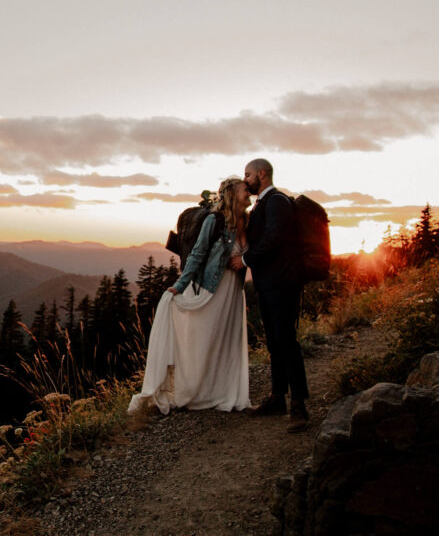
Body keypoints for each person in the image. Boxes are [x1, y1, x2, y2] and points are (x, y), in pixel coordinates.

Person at [128, 176, 251, 414]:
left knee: (227, 341)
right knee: (205, 339)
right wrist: (180, 285)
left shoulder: (247, 221)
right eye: (245, 190)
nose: (249, 194)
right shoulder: (215, 221)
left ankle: (224, 391)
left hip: (234, 293)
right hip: (213, 290)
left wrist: (244, 259)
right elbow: (197, 254)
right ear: (232, 193)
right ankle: (196, 391)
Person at [231, 158, 309, 433]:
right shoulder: (263, 204)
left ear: (261, 174)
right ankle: (278, 398)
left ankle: (299, 405)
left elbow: (274, 237)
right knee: (275, 342)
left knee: (287, 341)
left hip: (283, 283)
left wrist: (247, 259)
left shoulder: (277, 201)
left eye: (248, 174)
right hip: (268, 284)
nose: (246, 179)